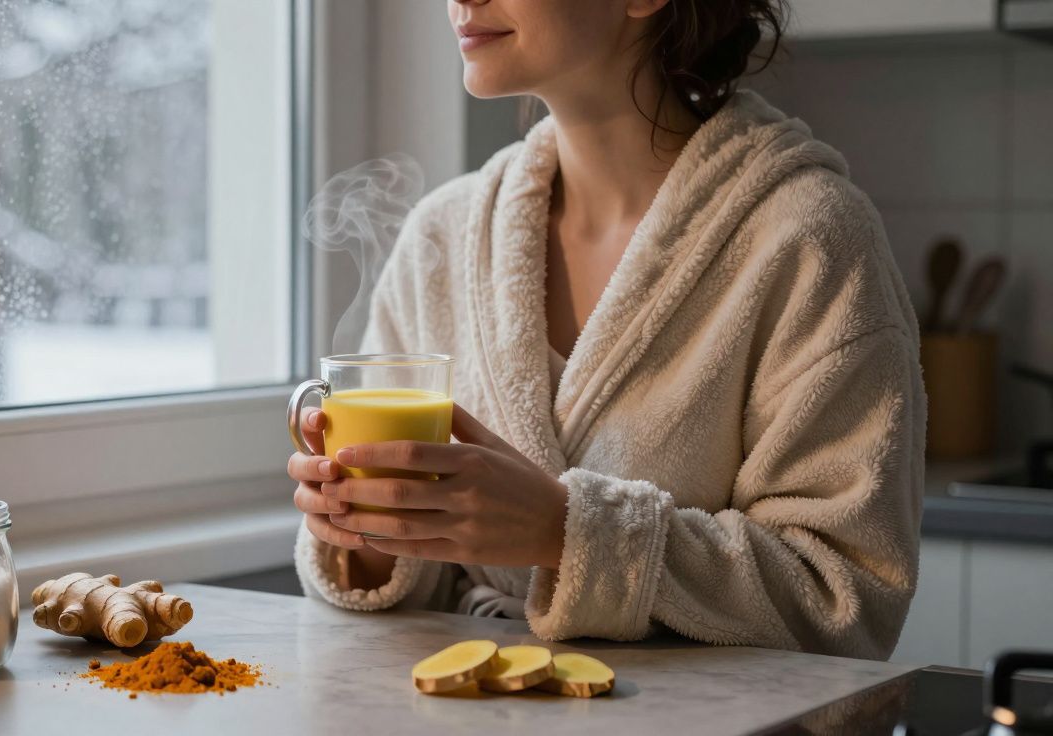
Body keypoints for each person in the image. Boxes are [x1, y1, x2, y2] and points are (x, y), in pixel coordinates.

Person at [290, 0, 924, 660]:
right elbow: (401, 582)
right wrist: (358, 531)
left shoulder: (808, 238)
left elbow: (843, 593)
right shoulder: (444, 236)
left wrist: (567, 534)